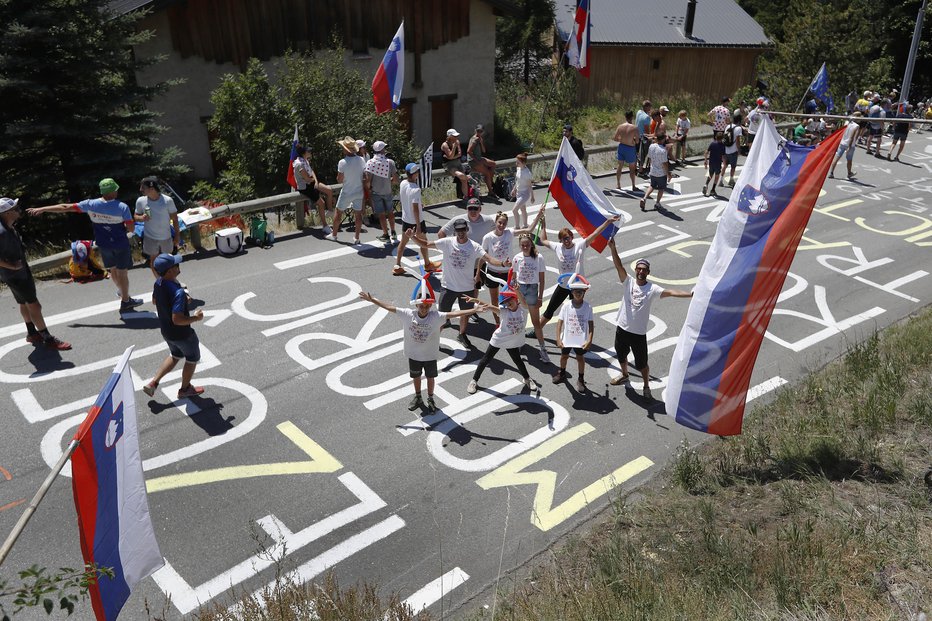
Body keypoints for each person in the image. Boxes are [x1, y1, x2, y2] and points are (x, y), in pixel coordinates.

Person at [358, 279, 488, 413]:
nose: (424, 309)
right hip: (413, 354)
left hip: (430, 355)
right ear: (416, 305)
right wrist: (372, 299)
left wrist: (474, 309)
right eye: (421, 306)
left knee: (430, 378)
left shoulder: (436, 316)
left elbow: (455, 313)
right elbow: (389, 307)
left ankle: (430, 399)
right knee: (416, 377)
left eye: (427, 306)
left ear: (430, 306)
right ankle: (418, 396)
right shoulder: (408, 314)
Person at [28, 178, 144, 314]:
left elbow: (66, 207)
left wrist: (43, 209)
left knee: (112, 270)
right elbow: (130, 228)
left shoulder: (90, 204)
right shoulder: (122, 207)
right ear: (114, 191)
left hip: (103, 244)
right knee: (122, 272)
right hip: (120, 243)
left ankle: (122, 292)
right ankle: (126, 301)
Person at [607, 238, 692, 399]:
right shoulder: (628, 282)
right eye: (639, 268)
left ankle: (646, 386)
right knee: (621, 355)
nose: (640, 271)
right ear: (635, 270)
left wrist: (691, 295)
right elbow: (618, 265)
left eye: (644, 269)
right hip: (622, 329)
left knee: (642, 364)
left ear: (648, 273)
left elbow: (672, 292)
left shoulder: (653, 289)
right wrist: (613, 248)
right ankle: (624, 374)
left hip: (638, 334)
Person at [413, 218, 511, 348]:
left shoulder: (474, 246)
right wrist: (412, 237)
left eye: (463, 230)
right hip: (448, 287)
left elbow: (489, 259)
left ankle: (462, 334)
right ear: (455, 231)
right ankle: (434, 338)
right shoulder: (447, 242)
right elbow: (426, 244)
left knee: (465, 314)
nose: (461, 232)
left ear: (467, 230)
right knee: (441, 316)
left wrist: (503, 263)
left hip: (466, 288)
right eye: (458, 230)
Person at [0, 197, 72, 350]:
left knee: (22, 302)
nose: (18, 210)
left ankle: (32, 333)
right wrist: (12, 267)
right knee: (34, 305)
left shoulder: (8, 226)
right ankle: (47, 338)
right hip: (16, 275)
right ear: (6, 213)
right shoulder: (2, 232)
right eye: (15, 208)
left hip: (17, 273)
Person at [538, 214, 620, 330]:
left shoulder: (580, 245)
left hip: (577, 286)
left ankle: (577, 334)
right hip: (563, 285)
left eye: (567, 238)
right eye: (562, 239)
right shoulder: (558, 247)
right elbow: (543, 240)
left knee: (576, 313)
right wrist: (543, 225)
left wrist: (608, 222)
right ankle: (537, 331)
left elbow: (595, 233)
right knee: (550, 309)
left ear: (571, 237)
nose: (565, 241)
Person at [142, 254, 204, 399]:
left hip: (166, 332)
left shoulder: (158, 282)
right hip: (182, 334)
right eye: (175, 265)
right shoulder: (178, 292)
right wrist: (196, 318)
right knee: (192, 358)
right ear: (169, 271)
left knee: (175, 355)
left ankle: (153, 383)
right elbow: (177, 319)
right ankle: (185, 389)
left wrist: (181, 300)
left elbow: (154, 301)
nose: (178, 266)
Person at [466, 286, 537, 395]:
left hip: (512, 340)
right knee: (486, 359)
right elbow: (488, 306)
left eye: (510, 301)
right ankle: (474, 381)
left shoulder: (523, 309)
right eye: (506, 303)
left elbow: (522, 301)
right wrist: (475, 300)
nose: (508, 304)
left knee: (518, 360)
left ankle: (527, 379)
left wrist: (517, 290)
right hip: (499, 338)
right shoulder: (503, 311)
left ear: (516, 299)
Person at [551, 274, 594, 391]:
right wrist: (558, 339)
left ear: (584, 292)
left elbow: (590, 325)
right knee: (564, 356)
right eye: (575, 291)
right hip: (567, 338)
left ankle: (581, 379)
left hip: (580, 340)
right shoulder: (566, 306)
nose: (578, 293)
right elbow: (560, 322)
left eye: (580, 291)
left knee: (580, 358)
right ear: (571, 292)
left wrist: (589, 340)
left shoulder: (588, 307)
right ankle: (562, 372)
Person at [511, 231, 549, 362]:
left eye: (527, 244)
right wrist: (514, 287)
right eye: (522, 245)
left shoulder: (539, 258)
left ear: (531, 245)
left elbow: (542, 280)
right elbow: (514, 277)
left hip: (532, 289)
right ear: (520, 245)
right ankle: (520, 343)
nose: (525, 247)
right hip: (520, 289)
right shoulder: (517, 258)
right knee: (520, 319)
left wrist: (540, 297)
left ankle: (543, 349)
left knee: (535, 323)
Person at [392, 163, 434, 276]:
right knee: (424, 242)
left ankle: (397, 265)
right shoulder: (416, 189)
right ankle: (427, 264)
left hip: (406, 219)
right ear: (415, 174)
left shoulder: (403, 183)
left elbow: (408, 200)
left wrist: (420, 204)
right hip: (416, 221)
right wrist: (418, 226)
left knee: (403, 242)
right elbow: (415, 208)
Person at [135, 176, 180, 277]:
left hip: (166, 236)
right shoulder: (141, 201)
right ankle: (159, 281)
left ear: (151, 189)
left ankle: (171, 280)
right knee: (153, 260)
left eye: (143, 187)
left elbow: (175, 219)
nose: (140, 190)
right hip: (150, 237)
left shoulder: (168, 200)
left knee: (168, 260)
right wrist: (142, 218)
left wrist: (177, 236)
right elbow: (135, 217)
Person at [328, 137, 366, 244]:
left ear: (345, 149)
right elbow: (364, 175)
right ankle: (357, 238)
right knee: (358, 214)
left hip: (347, 191)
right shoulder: (361, 160)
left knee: (338, 212)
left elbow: (339, 180)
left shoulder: (342, 162)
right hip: (359, 190)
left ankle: (334, 235)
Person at [363, 140, 398, 244]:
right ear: (382, 150)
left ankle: (385, 234)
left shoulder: (370, 163)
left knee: (381, 215)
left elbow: (368, 181)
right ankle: (393, 232)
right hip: (387, 191)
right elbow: (395, 179)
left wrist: (369, 190)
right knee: (391, 212)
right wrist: (389, 181)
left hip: (376, 192)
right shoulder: (390, 162)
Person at [293, 145, 332, 235]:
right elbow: (307, 179)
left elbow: (311, 172)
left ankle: (330, 211)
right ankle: (325, 225)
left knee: (329, 190)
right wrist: (313, 181)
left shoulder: (305, 160)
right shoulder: (299, 164)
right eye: (309, 152)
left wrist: (316, 182)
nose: (310, 153)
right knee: (321, 203)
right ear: (304, 153)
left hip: (311, 183)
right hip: (305, 187)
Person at [640, 134, 672, 211]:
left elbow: (650, 158)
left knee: (652, 185)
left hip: (653, 170)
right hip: (661, 173)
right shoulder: (663, 150)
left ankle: (644, 198)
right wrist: (668, 174)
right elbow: (665, 163)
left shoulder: (652, 146)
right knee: (661, 188)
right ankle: (657, 203)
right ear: (663, 139)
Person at [829, 114, 863, 180]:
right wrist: (849, 146)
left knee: (837, 157)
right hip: (849, 144)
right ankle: (849, 173)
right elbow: (852, 137)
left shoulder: (847, 122)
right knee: (849, 160)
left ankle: (831, 172)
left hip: (842, 142)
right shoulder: (856, 126)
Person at [467, 124, 497, 197]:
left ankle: (489, 178)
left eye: (481, 131)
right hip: (473, 161)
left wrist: (481, 142)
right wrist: (477, 162)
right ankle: (491, 192)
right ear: (475, 130)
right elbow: (469, 152)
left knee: (493, 164)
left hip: (480, 158)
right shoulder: (474, 139)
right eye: (478, 131)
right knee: (487, 173)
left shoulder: (479, 138)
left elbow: (484, 151)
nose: (479, 132)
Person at [613, 111, 640, 191]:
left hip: (621, 146)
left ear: (625, 117)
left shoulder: (620, 126)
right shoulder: (634, 128)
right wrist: (633, 140)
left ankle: (618, 184)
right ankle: (633, 185)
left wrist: (622, 139)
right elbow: (638, 141)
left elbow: (615, 138)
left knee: (619, 166)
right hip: (630, 148)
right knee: (632, 168)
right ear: (632, 117)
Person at [441, 129, 469, 198]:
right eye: (454, 136)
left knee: (464, 181)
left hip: (458, 163)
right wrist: (453, 147)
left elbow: (459, 154)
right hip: (449, 165)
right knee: (461, 175)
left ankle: (466, 197)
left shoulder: (457, 142)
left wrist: (451, 157)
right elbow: (450, 156)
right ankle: (469, 178)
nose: (456, 137)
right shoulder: (445, 145)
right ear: (449, 136)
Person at [511, 152, 534, 228]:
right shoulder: (518, 169)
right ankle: (525, 225)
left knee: (514, 210)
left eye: (518, 162)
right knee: (523, 210)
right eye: (516, 161)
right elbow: (517, 181)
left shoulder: (527, 173)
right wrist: (514, 189)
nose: (516, 163)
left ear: (523, 163)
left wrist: (532, 197)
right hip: (519, 193)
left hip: (525, 194)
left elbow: (530, 185)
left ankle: (517, 226)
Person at [703, 132, 726, 196]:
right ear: (722, 138)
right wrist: (724, 163)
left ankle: (706, 184)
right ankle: (713, 190)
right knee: (717, 176)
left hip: (711, 162)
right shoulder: (722, 145)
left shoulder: (712, 143)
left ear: (716, 137)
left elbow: (706, 152)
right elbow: (723, 156)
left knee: (710, 174)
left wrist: (705, 161)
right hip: (718, 163)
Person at [723, 114, 744, 186]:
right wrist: (739, 150)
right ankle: (731, 180)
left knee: (725, 165)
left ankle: (720, 180)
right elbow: (738, 141)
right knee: (733, 166)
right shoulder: (738, 128)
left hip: (726, 149)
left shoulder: (728, 126)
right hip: (733, 150)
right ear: (739, 120)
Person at [635, 100, 653, 176]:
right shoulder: (647, 117)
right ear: (647, 107)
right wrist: (651, 137)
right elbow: (647, 130)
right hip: (643, 137)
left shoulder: (639, 112)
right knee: (643, 154)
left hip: (636, 135)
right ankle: (641, 171)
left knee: (636, 153)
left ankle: (635, 168)